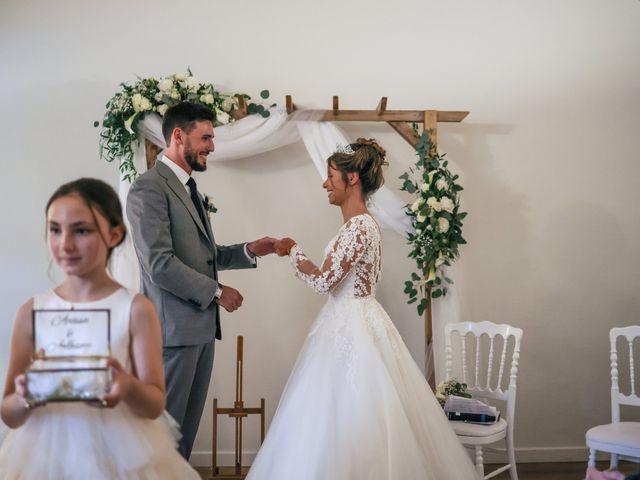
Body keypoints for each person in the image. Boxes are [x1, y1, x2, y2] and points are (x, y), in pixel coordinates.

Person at [246, 139, 480, 479]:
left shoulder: (359, 227)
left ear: (351, 178)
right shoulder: (357, 226)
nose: (325, 183)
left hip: (353, 325)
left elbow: (325, 282)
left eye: (330, 176)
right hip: (348, 321)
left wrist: (293, 250)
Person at [0, 178, 200, 479]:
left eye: (81, 230)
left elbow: (154, 404)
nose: (65, 244)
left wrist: (128, 386)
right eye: (55, 229)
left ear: (114, 234)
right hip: (44, 453)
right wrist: (25, 395)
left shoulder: (135, 309)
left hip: (121, 450)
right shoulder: (32, 311)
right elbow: (9, 413)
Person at [126, 101, 275, 459]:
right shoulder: (149, 189)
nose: (212, 145)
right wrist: (218, 292)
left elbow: (203, 255)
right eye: (206, 137)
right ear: (178, 136)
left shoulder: (189, 188)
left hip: (201, 331)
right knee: (163, 439)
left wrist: (249, 250)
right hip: (172, 336)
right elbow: (159, 264)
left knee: (183, 439)